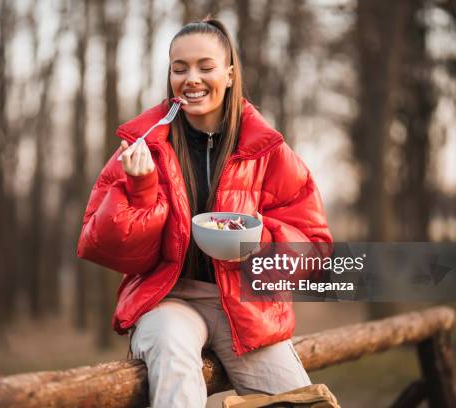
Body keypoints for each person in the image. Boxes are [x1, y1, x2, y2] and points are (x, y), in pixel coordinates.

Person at [77, 18, 332, 408]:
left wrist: (257, 242)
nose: (191, 78)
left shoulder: (269, 151)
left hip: (247, 306)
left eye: (205, 67)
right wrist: (141, 191)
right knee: (172, 350)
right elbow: (102, 244)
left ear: (229, 75)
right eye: (179, 68)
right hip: (167, 300)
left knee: (297, 400)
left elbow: (316, 248)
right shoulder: (143, 147)